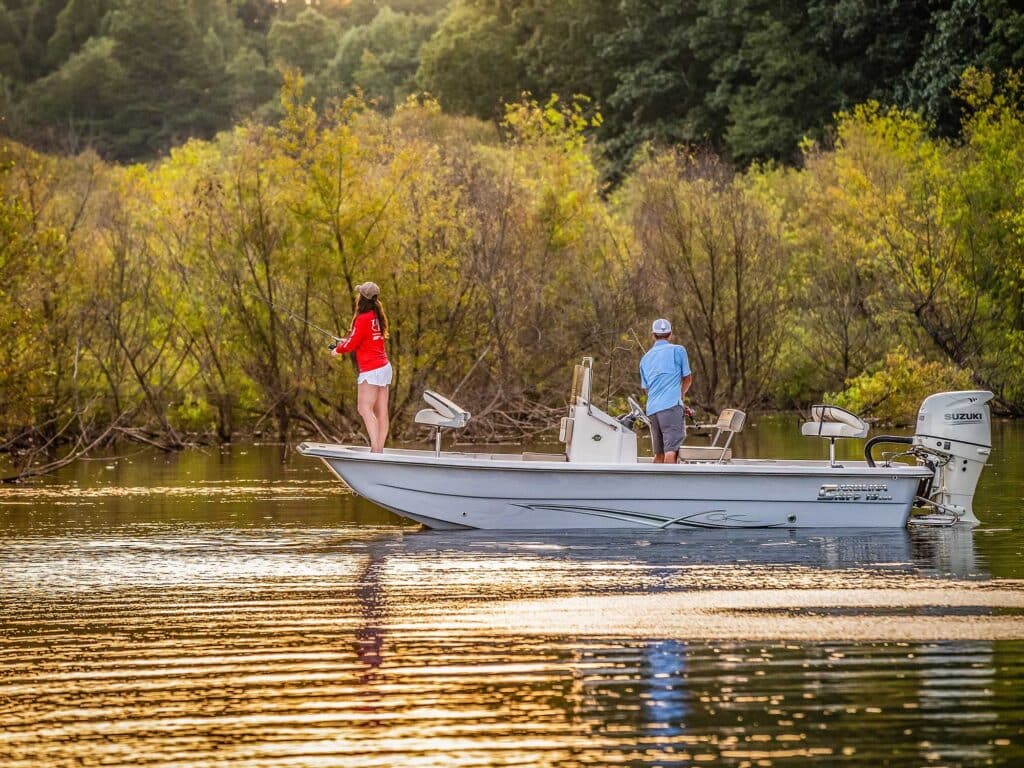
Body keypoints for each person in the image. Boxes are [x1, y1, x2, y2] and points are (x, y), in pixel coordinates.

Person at [331, 281, 392, 453]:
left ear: (362, 299)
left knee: (364, 408)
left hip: (371, 370)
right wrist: (346, 341)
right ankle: (379, 450)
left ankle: (375, 450)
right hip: (384, 367)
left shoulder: (362, 318)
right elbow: (361, 340)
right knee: (382, 413)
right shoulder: (377, 316)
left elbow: (353, 343)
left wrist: (338, 349)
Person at [639, 318, 692, 464]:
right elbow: (687, 379)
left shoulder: (644, 359)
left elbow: (646, 389)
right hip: (670, 408)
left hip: (652, 411)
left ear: (653, 335)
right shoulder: (679, 350)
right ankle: (671, 487)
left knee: (659, 454)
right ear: (670, 334)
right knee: (671, 453)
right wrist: (679, 400)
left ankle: (653, 486)